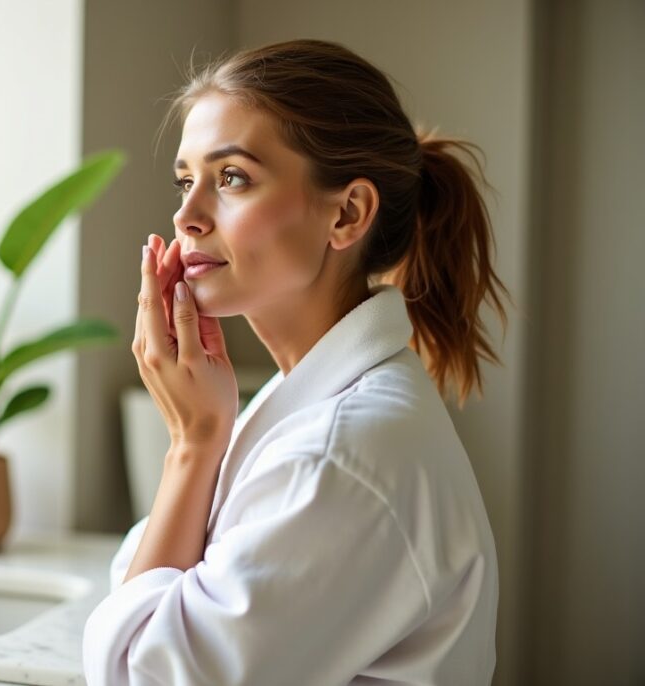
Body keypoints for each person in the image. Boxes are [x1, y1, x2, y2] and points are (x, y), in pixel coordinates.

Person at [83, 39, 508, 685]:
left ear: (347, 213)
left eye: (232, 178)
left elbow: (139, 668)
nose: (186, 215)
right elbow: (144, 597)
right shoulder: (310, 410)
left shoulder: (339, 455)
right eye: (185, 180)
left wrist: (193, 446)